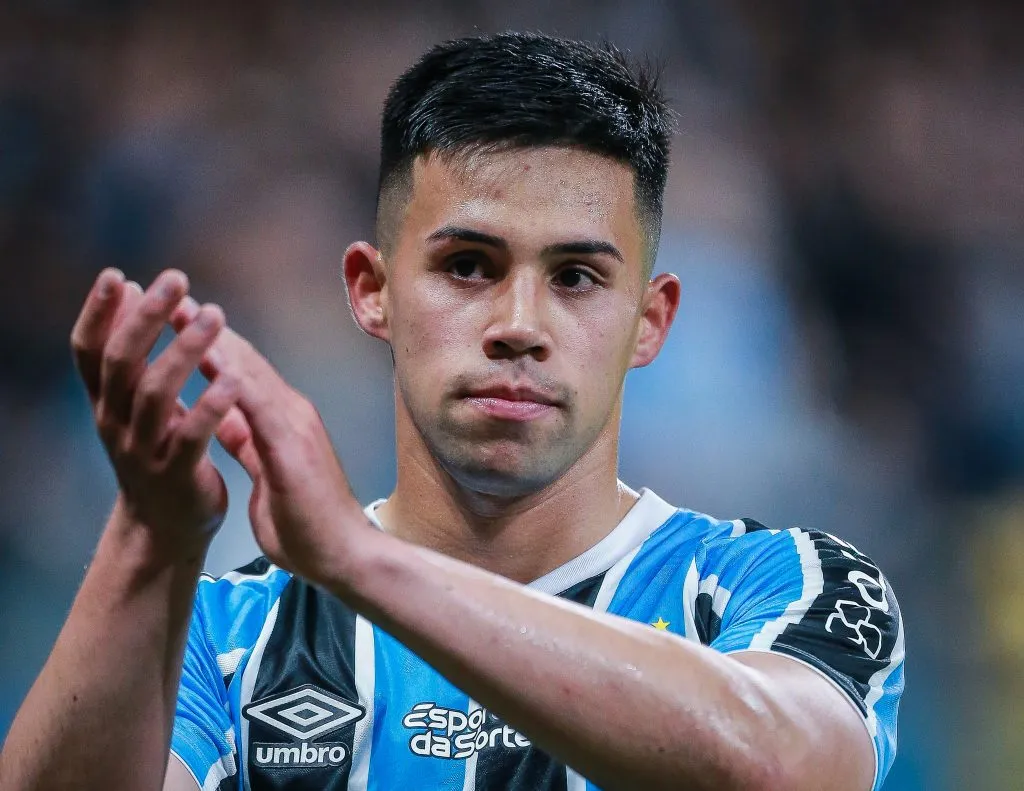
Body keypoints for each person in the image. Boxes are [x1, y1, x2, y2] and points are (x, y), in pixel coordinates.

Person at [0, 32, 903, 791]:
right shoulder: (226, 635)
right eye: (468, 266)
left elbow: (784, 766)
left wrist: (361, 563)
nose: (518, 326)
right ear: (372, 290)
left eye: (577, 278)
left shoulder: (787, 584)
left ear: (649, 320)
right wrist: (150, 540)